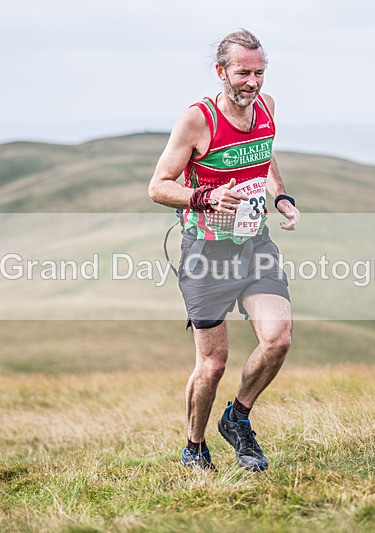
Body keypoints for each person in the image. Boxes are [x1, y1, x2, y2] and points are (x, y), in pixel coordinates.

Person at [148, 29, 300, 472]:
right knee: (212, 364)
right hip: (206, 253)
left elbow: (264, 156)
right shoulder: (197, 120)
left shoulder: (266, 107)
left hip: (255, 245)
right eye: (243, 73)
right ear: (221, 72)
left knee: (278, 339)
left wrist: (282, 197)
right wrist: (205, 197)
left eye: (259, 72)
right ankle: (194, 447)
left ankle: (238, 418)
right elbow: (157, 186)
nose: (253, 82)